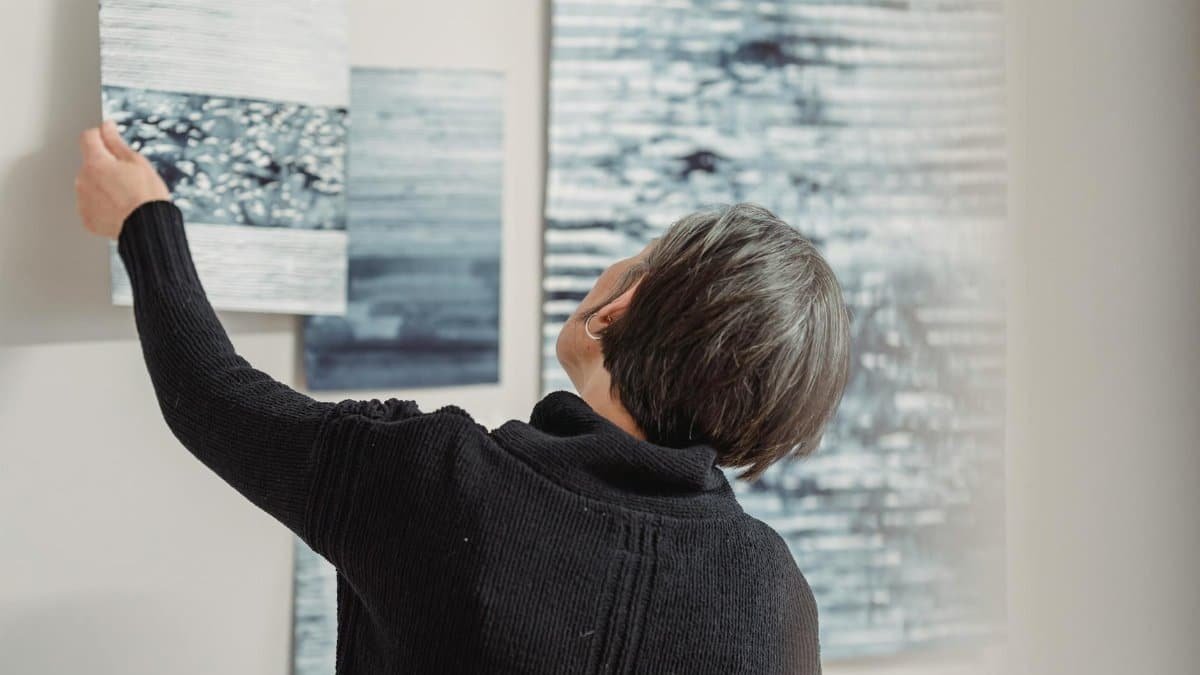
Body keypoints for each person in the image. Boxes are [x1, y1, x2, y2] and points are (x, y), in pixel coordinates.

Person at [75, 120, 851, 674]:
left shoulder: (440, 481)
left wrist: (145, 221)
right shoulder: (775, 594)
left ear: (616, 310)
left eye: (635, 258)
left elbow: (211, 393)